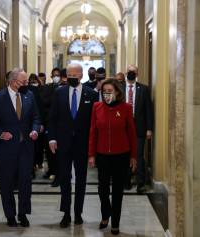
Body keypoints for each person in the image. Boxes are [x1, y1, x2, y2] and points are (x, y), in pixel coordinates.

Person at [0, 68, 40, 227]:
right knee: (6, 183)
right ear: (12, 82)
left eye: (26, 82)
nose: (26, 84)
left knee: (25, 182)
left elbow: (36, 117)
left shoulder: (29, 95)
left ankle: (23, 214)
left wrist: (35, 129)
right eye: (23, 82)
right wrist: (1, 133)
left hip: (25, 147)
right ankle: (10, 215)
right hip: (5, 149)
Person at [48, 63, 98, 228]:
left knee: (81, 180)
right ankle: (66, 213)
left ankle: (78, 213)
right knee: (64, 178)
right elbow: (53, 118)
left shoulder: (91, 94)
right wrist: (52, 139)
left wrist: (93, 147)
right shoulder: (59, 93)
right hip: (63, 143)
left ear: (81, 75)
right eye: (69, 75)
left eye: (75, 76)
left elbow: (94, 123)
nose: (72, 78)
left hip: (82, 145)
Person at [88, 79, 137, 235]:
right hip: (102, 155)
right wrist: (91, 154)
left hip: (121, 156)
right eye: (104, 91)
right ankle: (105, 214)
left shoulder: (126, 108)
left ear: (117, 92)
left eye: (110, 90)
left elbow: (132, 134)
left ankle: (115, 222)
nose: (106, 94)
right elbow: (93, 132)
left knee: (117, 191)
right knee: (102, 189)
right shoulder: (97, 107)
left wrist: (133, 156)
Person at [123, 65, 153, 193]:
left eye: (133, 72)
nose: (131, 73)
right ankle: (126, 180)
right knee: (125, 155)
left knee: (139, 155)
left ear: (137, 73)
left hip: (139, 127)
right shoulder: (119, 87)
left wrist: (149, 129)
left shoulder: (144, 89)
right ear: (126, 73)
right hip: (123, 127)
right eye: (129, 72)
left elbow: (148, 110)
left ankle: (141, 183)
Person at [28, 73, 45, 173]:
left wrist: (40, 123)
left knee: (37, 146)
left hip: (34, 123)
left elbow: (40, 108)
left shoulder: (34, 91)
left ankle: (35, 165)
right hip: (25, 124)